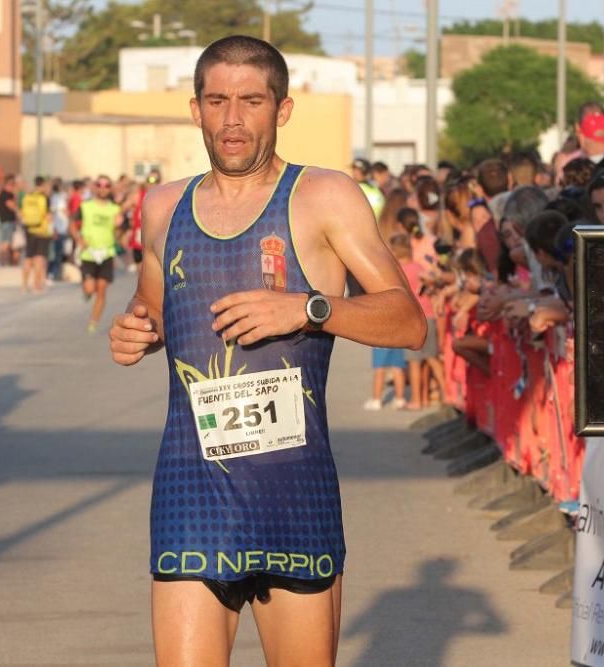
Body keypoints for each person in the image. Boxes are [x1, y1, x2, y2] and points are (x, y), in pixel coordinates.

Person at [108, 35, 425, 666]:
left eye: (251, 101)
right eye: (217, 100)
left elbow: (409, 323)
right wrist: (135, 333)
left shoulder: (324, 196)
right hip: (190, 490)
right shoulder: (163, 206)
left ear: (281, 110)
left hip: (293, 494)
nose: (232, 119)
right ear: (194, 108)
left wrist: (308, 309)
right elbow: (153, 311)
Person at [391, 234, 444, 410]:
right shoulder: (418, 266)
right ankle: (441, 394)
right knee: (430, 359)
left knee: (414, 361)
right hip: (428, 315)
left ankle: (416, 399)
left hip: (413, 318)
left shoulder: (401, 270)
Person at [73, 176, 122, 332]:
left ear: (110, 188)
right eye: (99, 185)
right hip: (89, 254)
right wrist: (78, 238)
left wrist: (119, 226)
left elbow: (119, 234)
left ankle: (93, 323)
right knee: (89, 288)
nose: (103, 188)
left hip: (106, 253)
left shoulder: (115, 209)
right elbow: (71, 223)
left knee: (101, 289)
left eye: (106, 185)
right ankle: (87, 293)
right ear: (94, 187)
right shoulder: (86, 206)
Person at [19, 175, 51, 292]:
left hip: (28, 229)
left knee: (28, 257)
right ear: (43, 185)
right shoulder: (44, 198)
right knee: (39, 258)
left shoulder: (27, 197)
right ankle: (36, 285)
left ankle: (24, 285)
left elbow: (21, 213)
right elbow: (48, 216)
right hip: (41, 230)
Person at [351, 157, 384, 222]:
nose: (353, 172)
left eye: (354, 169)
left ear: (361, 171)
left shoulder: (356, 189)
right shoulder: (376, 187)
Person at [0, 175, 19, 266]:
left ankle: (8, 262)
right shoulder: (4, 194)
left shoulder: (10, 194)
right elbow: (12, 205)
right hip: (6, 222)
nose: (13, 187)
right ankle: (3, 262)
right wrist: (20, 212)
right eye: (11, 185)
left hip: (10, 221)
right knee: (5, 244)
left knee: (9, 244)